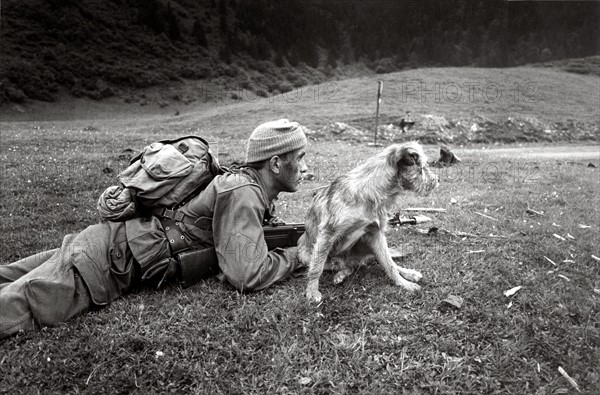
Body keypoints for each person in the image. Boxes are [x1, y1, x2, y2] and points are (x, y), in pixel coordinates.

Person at [0, 119, 309, 339]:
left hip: (105, 245)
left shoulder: (242, 185)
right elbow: (246, 274)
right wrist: (300, 255)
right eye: (301, 158)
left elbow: (245, 238)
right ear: (277, 163)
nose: (307, 168)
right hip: (105, 263)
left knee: (7, 276)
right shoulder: (242, 191)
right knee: (13, 309)